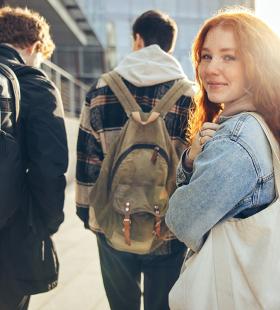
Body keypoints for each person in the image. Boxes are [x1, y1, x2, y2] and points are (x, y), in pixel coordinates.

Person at [76, 10, 194, 310]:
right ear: (169, 45)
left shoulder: (102, 88)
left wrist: (87, 213)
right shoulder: (188, 94)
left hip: (113, 221)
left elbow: (87, 159)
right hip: (166, 226)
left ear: (137, 40)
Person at [165, 7, 280, 309]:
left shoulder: (238, 138)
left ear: (258, 64)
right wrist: (192, 159)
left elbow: (181, 221)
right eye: (206, 56)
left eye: (229, 57)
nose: (212, 68)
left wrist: (187, 169)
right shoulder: (263, 122)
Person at [0, 6, 68, 310]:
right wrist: (47, 225)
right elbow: (49, 169)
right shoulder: (35, 84)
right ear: (34, 46)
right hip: (13, 236)